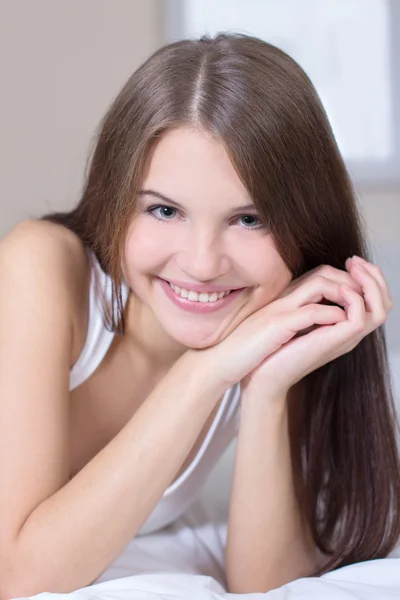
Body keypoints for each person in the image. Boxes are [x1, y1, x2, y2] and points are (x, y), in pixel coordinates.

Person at [0, 31, 399, 597]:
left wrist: (266, 388)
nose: (202, 263)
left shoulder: (267, 318)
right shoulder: (41, 268)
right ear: (115, 200)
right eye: (164, 210)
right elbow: (16, 577)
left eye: (249, 219)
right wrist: (206, 370)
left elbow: (268, 586)